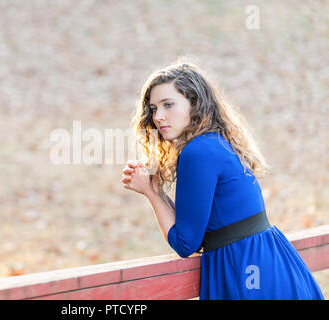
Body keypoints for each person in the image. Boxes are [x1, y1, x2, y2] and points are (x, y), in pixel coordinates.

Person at [121, 57, 324, 300]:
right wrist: (157, 191)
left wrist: (152, 194)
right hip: (270, 263)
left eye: (168, 104)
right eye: (154, 109)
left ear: (194, 104)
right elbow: (195, 232)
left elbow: (185, 244)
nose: (158, 116)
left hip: (243, 272)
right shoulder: (215, 143)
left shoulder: (197, 152)